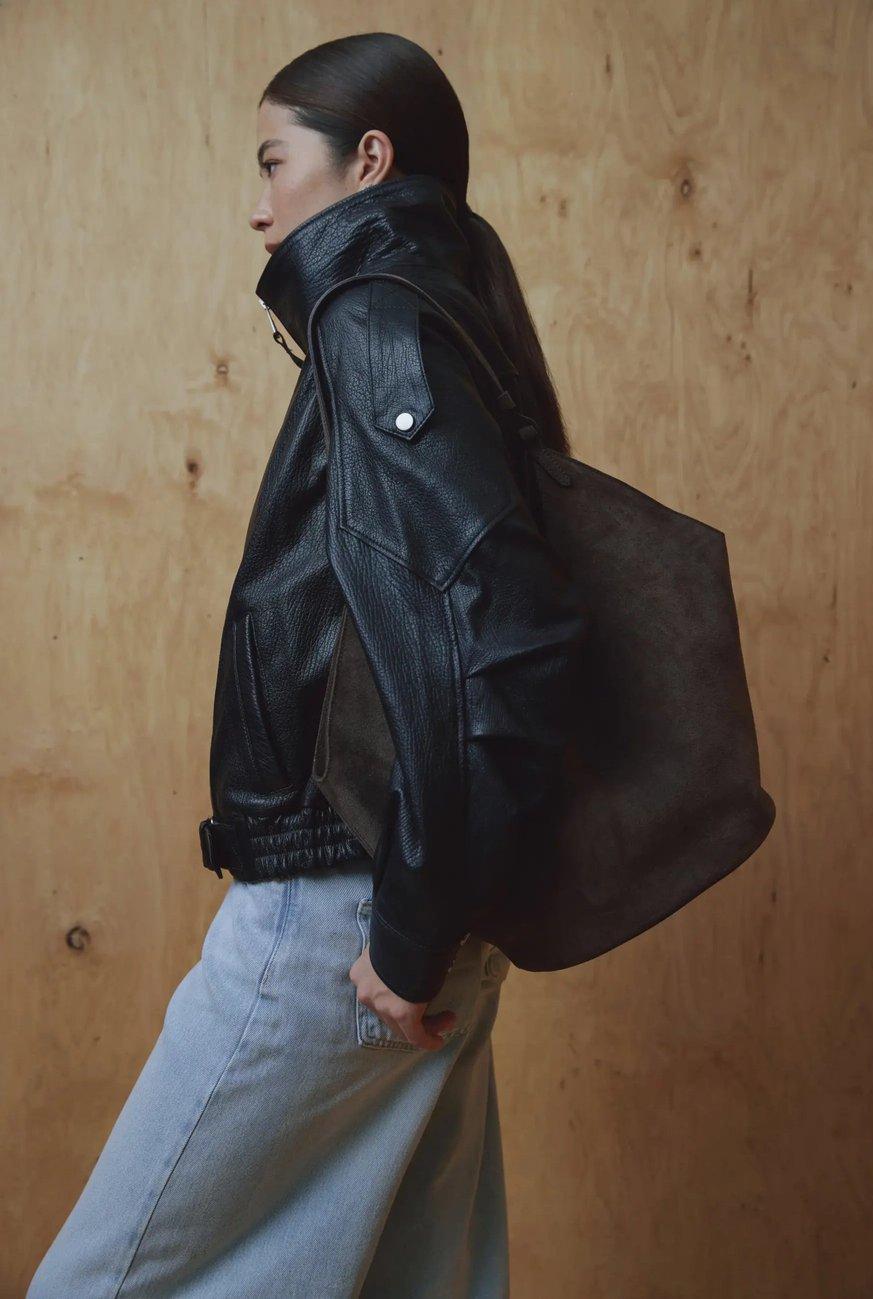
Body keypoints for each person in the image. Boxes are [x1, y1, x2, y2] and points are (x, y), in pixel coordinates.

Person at [27, 31, 586, 1299]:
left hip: (351, 910)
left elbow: (493, 629)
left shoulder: (377, 319)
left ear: (367, 160)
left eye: (276, 162)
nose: (258, 203)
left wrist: (409, 927)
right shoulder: (435, 312)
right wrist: (431, 914)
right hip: (412, 897)